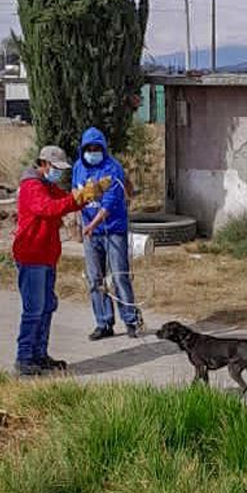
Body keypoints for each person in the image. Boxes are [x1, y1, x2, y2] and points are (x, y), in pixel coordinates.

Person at [12, 145, 106, 376]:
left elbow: (65, 200)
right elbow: (49, 208)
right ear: (43, 164)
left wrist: (87, 195)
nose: (59, 173)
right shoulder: (31, 186)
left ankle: (39, 355)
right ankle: (24, 358)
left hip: (45, 255)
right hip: (32, 254)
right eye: (55, 168)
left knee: (45, 308)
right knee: (34, 309)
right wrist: (79, 197)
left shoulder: (47, 185)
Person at [72, 127, 141, 340]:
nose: (93, 152)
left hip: (113, 230)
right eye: (89, 148)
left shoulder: (113, 168)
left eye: (97, 148)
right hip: (91, 233)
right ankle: (104, 322)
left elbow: (110, 203)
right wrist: (78, 223)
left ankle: (131, 319)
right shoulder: (78, 168)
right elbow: (75, 196)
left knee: (119, 276)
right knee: (95, 278)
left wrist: (92, 225)